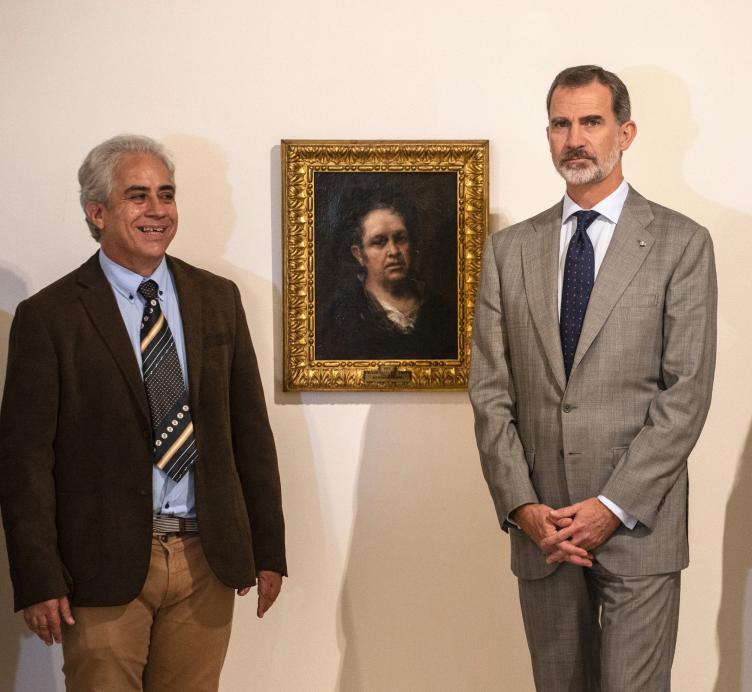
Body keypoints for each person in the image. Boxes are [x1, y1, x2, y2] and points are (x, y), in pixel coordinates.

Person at [0, 135, 286, 691]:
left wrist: (269, 548)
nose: (157, 210)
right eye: (138, 196)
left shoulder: (217, 298)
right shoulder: (50, 317)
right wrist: (38, 578)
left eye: (166, 193)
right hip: (100, 568)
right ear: (97, 211)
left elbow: (250, 433)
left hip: (208, 557)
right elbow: (24, 461)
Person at [469, 65, 717, 690]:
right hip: (543, 532)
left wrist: (612, 506)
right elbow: (491, 393)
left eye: (591, 121)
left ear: (625, 132)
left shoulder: (682, 244)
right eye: (560, 123)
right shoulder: (508, 251)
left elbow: (685, 394)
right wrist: (522, 505)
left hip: (638, 526)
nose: (574, 137)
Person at [318, 197, 456, 360]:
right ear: (360, 254)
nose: (394, 251)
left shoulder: (440, 310)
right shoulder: (339, 319)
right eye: (379, 242)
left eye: (400, 238)